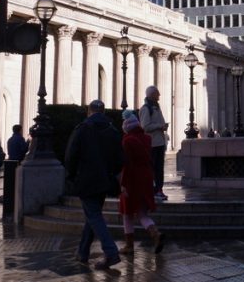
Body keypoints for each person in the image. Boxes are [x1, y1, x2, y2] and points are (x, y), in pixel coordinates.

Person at [65, 100, 124, 270]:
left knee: (94, 216)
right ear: (103, 112)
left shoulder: (82, 129)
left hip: (86, 180)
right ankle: (82, 252)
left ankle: (111, 252)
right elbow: (120, 159)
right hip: (105, 181)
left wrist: (70, 176)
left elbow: (71, 155)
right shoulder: (112, 130)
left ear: (89, 112)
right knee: (93, 215)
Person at [118, 112, 162, 255]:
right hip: (146, 176)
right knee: (142, 212)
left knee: (127, 213)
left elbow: (127, 164)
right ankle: (155, 234)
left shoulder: (127, 141)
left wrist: (123, 183)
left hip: (132, 179)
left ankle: (129, 245)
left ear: (126, 127)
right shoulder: (147, 138)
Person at [138, 85, 169, 202]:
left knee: (159, 168)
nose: (159, 96)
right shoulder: (146, 109)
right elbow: (145, 126)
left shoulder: (156, 107)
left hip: (159, 142)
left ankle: (159, 189)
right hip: (152, 144)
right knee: (153, 168)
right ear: (152, 95)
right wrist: (159, 126)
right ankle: (153, 190)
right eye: (157, 94)